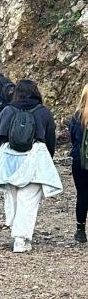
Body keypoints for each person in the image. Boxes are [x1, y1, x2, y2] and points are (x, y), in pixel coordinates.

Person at [0, 80, 60, 253]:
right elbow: (50, 140)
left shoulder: (7, 110)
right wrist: (47, 158)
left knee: (11, 197)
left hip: (9, 160)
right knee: (28, 200)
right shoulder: (43, 112)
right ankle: (21, 239)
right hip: (34, 158)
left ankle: (15, 229)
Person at [68, 84, 88, 243]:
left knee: (82, 195)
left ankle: (80, 230)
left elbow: (73, 139)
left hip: (80, 162)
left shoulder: (77, 117)